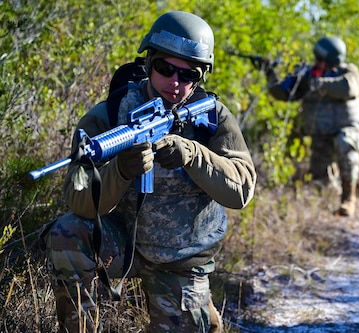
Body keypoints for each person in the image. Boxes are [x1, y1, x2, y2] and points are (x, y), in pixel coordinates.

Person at [42, 11, 257, 332]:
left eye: (188, 75)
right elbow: (80, 203)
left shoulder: (212, 118)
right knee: (67, 231)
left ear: (201, 78)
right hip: (122, 242)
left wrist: (193, 153)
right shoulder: (109, 116)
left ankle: (201, 312)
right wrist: (120, 170)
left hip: (182, 256)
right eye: (166, 68)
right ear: (149, 63)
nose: (175, 82)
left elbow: (240, 191)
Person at [263, 36, 359, 217]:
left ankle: (349, 198)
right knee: (319, 175)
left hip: (347, 130)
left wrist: (318, 83)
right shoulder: (309, 74)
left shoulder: (349, 71)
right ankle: (327, 202)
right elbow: (282, 93)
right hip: (321, 133)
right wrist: (269, 72)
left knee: (344, 143)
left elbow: (348, 88)